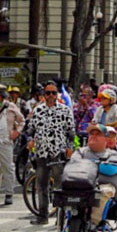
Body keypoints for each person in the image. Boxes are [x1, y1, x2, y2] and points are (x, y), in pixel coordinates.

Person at [25, 81, 76, 223]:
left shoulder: (64, 110)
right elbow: (31, 129)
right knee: (41, 186)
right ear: (44, 95)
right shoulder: (38, 110)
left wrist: (70, 147)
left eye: (54, 93)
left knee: (59, 186)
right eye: (48, 93)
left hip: (58, 152)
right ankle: (43, 215)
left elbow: (71, 132)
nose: (51, 96)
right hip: (41, 152)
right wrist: (30, 139)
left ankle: (61, 216)